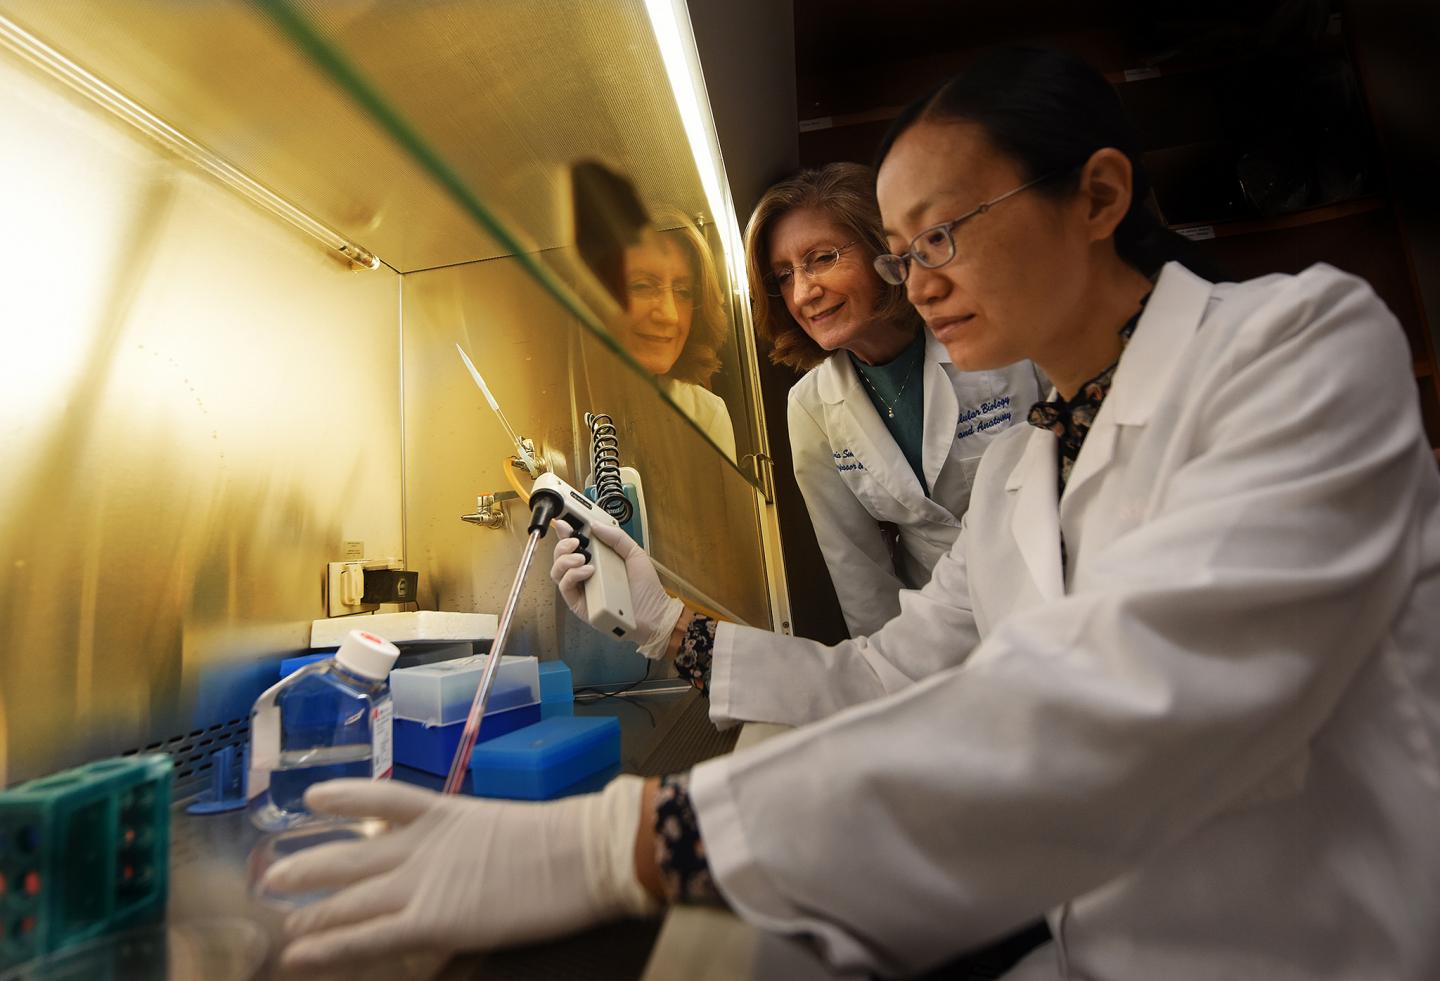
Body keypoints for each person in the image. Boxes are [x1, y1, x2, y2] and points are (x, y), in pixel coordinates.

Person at [265, 47, 1440, 980]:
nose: (917, 278)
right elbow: (888, 676)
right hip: (1091, 941)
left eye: (944, 233)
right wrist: (669, 626)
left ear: (1097, 195)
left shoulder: (1301, 346)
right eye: (901, 245)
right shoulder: (1033, 473)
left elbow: (1137, 695)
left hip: (1320, 947)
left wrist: (638, 842)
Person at [747, 164, 1045, 636]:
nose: (804, 293)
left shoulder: (994, 329)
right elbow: (859, 575)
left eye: (822, 258)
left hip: (1057, 592)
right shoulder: (810, 406)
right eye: (784, 276)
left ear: (883, 247)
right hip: (944, 635)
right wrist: (902, 692)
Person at [614, 210, 737, 458]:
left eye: (683, 291)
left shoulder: (706, 415)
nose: (670, 315)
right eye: (642, 286)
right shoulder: (565, 403)